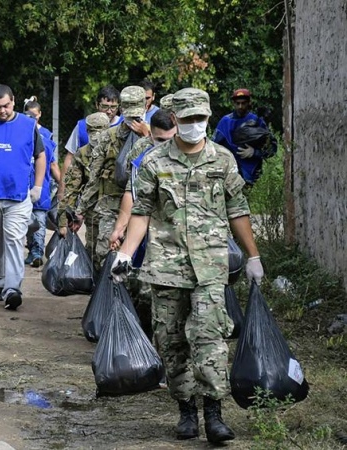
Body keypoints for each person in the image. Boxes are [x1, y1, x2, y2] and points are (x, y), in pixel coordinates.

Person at [111, 88, 264, 444]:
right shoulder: (154, 162)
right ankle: (185, 411)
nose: (195, 125)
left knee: (210, 337)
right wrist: (125, 254)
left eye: (201, 119)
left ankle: (214, 413)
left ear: (208, 119)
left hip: (211, 266)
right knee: (172, 339)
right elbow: (142, 212)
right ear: (175, 120)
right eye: (189, 119)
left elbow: (238, 210)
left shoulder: (222, 161)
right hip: (166, 266)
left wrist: (253, 255)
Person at [0, 84, 46, 311]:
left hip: (18, 196)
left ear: (13, 101)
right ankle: (1, 282)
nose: (2, 111)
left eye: (6, 105)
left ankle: (13, 289)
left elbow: (41, 155)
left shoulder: (28, 125)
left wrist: (37, 187)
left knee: (14, 240)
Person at [108, 108, 177, 337]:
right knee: (146, 293)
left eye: (170, 139)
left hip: (184, 243)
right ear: (150, 136)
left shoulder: (196, 157)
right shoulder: (146, 160)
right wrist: (120, 231)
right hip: (151, 239)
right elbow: (133, 195)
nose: (164, 145)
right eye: (159, 140)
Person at [75, 85, 149, 271]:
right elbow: (94, 177)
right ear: (122, 109)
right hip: (111, 204)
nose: (133, 120)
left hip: (145, 207)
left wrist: (147, 137)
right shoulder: (108, 137)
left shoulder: (158, 135)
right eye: (129, 114)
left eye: (137, 114)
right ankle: (108, 296)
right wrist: (81, 210)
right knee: (104, 253)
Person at [57, 112, 110, 257]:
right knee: (94, 254)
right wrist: (63, 221)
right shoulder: (83, 153)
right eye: (93, 132)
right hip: (93, 213)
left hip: (116, 213)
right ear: (87, 132)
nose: (96, 137)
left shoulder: (117, 151)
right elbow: (71, 189)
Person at [23, 97, 61, 268]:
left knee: (37, 220)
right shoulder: (20, 134)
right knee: (29, 221)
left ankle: (36, 251)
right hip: (25, 186)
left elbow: (53, 164)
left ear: (39, 115)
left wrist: (62, 184)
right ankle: (33, 250)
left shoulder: (45, 137)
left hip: (39, 187)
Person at [212, 88, 277, 187]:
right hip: (229, 175)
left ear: (249, 103)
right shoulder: (225, 122)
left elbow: (272, 147)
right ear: (233, 103)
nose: (240, 106)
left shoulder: (257, 121)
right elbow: (213, 148)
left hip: (252, 176)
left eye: (243, 103)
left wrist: (254, 152)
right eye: (237, 103)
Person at [60, 85, 123, 185]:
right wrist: (62, 191)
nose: (109, 111)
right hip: (87, 183)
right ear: (97, 105)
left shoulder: (124, 126)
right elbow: (70, 158)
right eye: (105, 106)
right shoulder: (82, 126)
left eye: (113, 107)